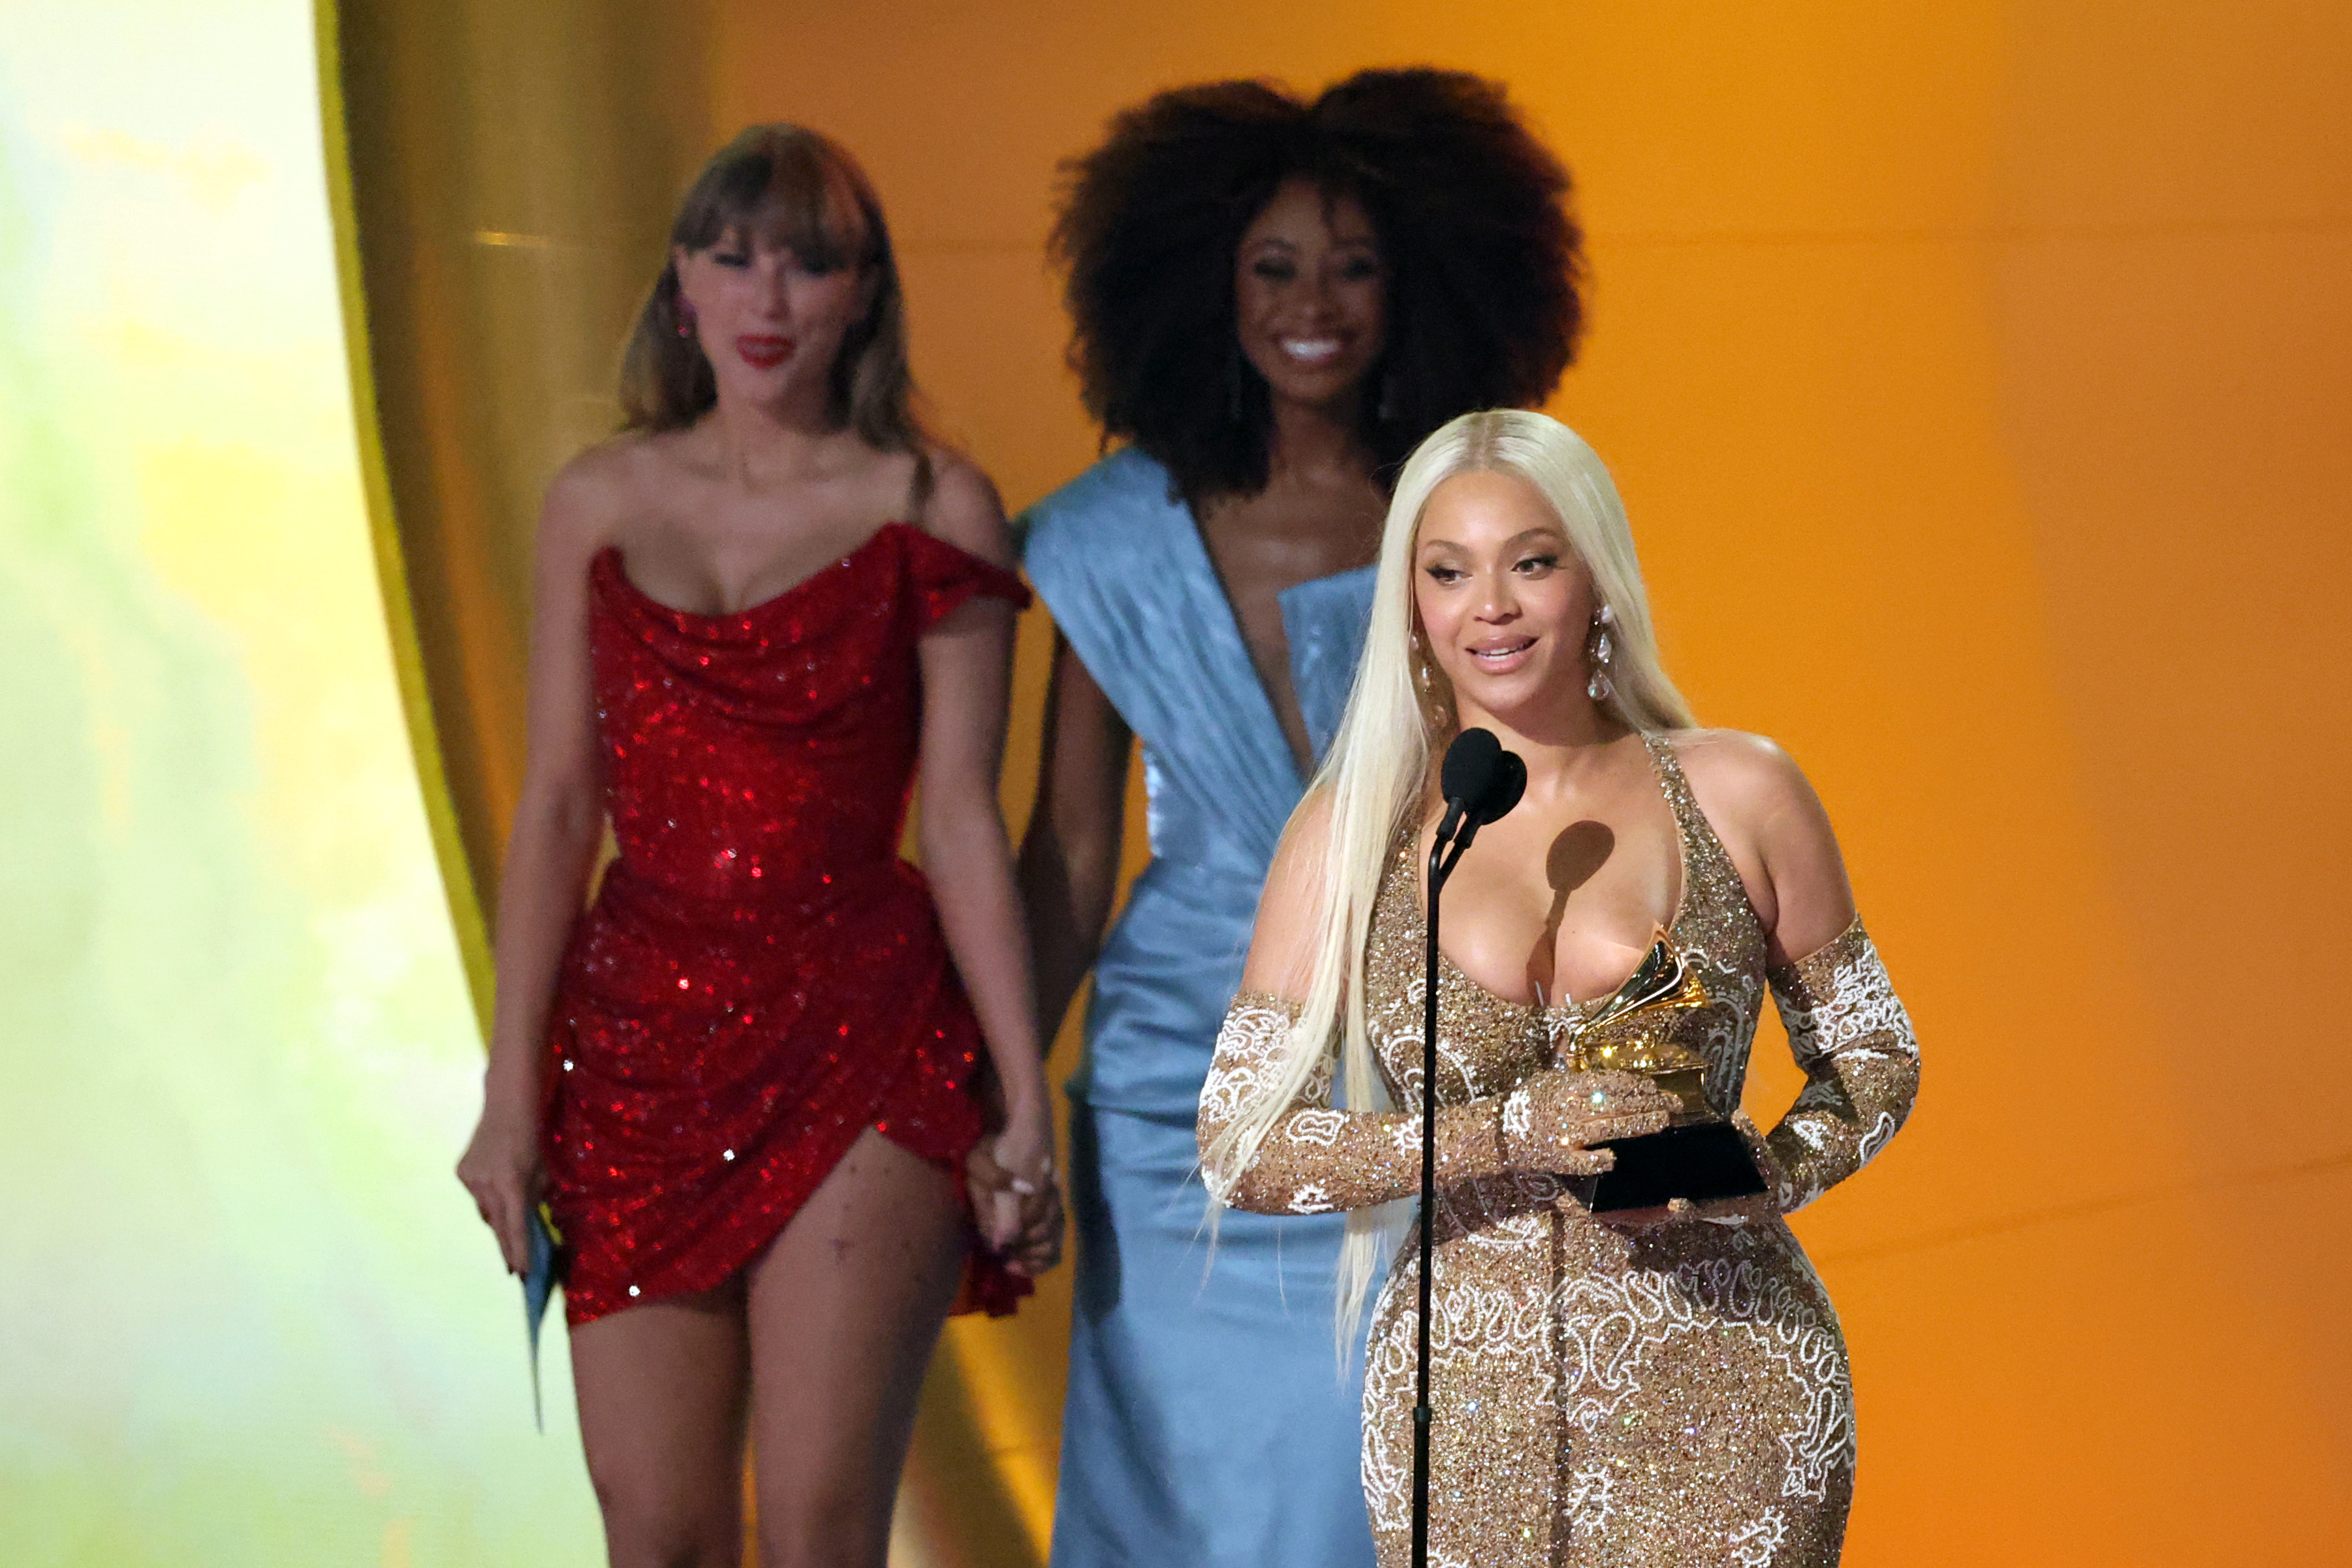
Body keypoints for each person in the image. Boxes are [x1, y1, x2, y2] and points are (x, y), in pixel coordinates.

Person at [454, 125, 1059, 1568]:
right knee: (655, 1529)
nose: (766, 294)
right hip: (637, 1039)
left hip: (864, 1024)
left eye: (808, 261)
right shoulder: (594, 501)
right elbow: (554, 811)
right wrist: (505, 1093)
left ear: (864, 294)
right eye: (732, 257)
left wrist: (1022, 1092)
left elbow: (965, 818)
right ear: (681, 286)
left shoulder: (931, 503)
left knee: (814, 1527)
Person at [1018, 70, 1584, 1567]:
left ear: (1422, 285)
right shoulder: (1101, 538)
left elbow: (1566, 803)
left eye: (1352, 263)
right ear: (1204, 283)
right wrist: (995, 1085)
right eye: (1271, 265)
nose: (1310, 301)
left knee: (1375, 1502)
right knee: (1188, 1507)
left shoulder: (1475, 520)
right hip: (1170, 1103)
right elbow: (1069, 856)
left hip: (1424, 1083)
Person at [1198, 409, 1922, 1565]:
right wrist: (1500, 1132)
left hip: (1732, 1388)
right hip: (1462, 1409)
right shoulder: (1352, 838)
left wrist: (1767, 1172)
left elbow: (1875, 1055)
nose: (1492, 604)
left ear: (1596, 582)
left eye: (1532, 561)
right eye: (1450, 571)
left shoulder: (1741, 789)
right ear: (1413, 608)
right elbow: (1242, 1145)